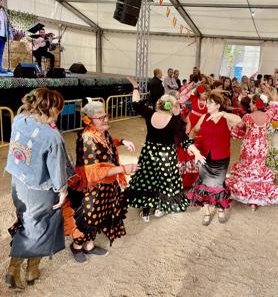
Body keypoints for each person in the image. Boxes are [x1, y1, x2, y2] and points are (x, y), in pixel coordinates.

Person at [5, 88, 70, 289]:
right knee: (41, 229)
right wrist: (63, 190)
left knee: (26, 223)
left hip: (19, 182)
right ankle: (15, 271)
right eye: (58, 108)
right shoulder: (52, 136)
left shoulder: (19, 119)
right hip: (39, 189)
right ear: (51, 108)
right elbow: (57, 168)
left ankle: (29, 269)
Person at [63, 98, 139, 263]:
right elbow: (94, 173)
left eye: (106, 115)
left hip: (106, 184)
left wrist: (123, 141)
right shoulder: (88, 139)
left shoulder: (101, 132)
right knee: (87, 219)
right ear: (89, 120)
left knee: (100, 216)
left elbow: (109, 142)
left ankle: (89, 246)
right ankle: (77, 247)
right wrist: (124, 169)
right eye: (101, 117)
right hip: (91, 187)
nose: (106, 119)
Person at [127, 77, 205, 222]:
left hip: (149, 153)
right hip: (166, 156)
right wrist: (197, 153)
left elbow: (136, 104)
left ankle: (145, 211)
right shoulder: (175, 122)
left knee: (147, 179)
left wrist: (136, 88)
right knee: (165, 180)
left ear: (159, 104)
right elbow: (185, 141)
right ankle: (159, 208)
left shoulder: (150, 114)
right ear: (173, 107)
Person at [187, 90, 241, 225]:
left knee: (218, 185)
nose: (206, 104)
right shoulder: (204, 117)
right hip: (204, 157)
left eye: (210, 103)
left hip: (221, 157)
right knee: (203, 185)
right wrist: (190, 145)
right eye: (207, 102)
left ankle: (221, 209)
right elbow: (194, 131)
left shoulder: (226, 118)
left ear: (218, 105)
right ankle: (206, 212)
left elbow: (239, 120)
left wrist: (222, 113)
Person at [226, 95, 278, 210]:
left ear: (255, 104)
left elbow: (237, 130)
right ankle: (255, 200)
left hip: (249, 146)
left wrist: (231, 127)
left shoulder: (247, 116)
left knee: (247, 168)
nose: (250, 105)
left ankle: (248, 197)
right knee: (258, 169)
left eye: (251, 103)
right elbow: (275, 107)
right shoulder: (268, 115)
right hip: (262, 146)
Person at [0, 0, 13, 73]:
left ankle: (0, 68)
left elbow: (8, 24)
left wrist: (10, 34)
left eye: (1, 2)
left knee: (1, 52)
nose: (1, 4)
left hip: (3, 36)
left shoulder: (3, 12)